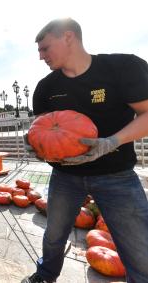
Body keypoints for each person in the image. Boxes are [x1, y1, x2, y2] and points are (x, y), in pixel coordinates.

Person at [23, 18, 148, 283]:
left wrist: (112, 142)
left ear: (68, 37)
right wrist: (36, 145)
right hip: (65, 176)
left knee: (140, 249)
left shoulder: (122, 67)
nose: (40, 56)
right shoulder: (45, 87)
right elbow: (44, 131)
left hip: (116, 174)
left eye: (45, 48)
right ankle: (46, 275)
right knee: (54, 234)